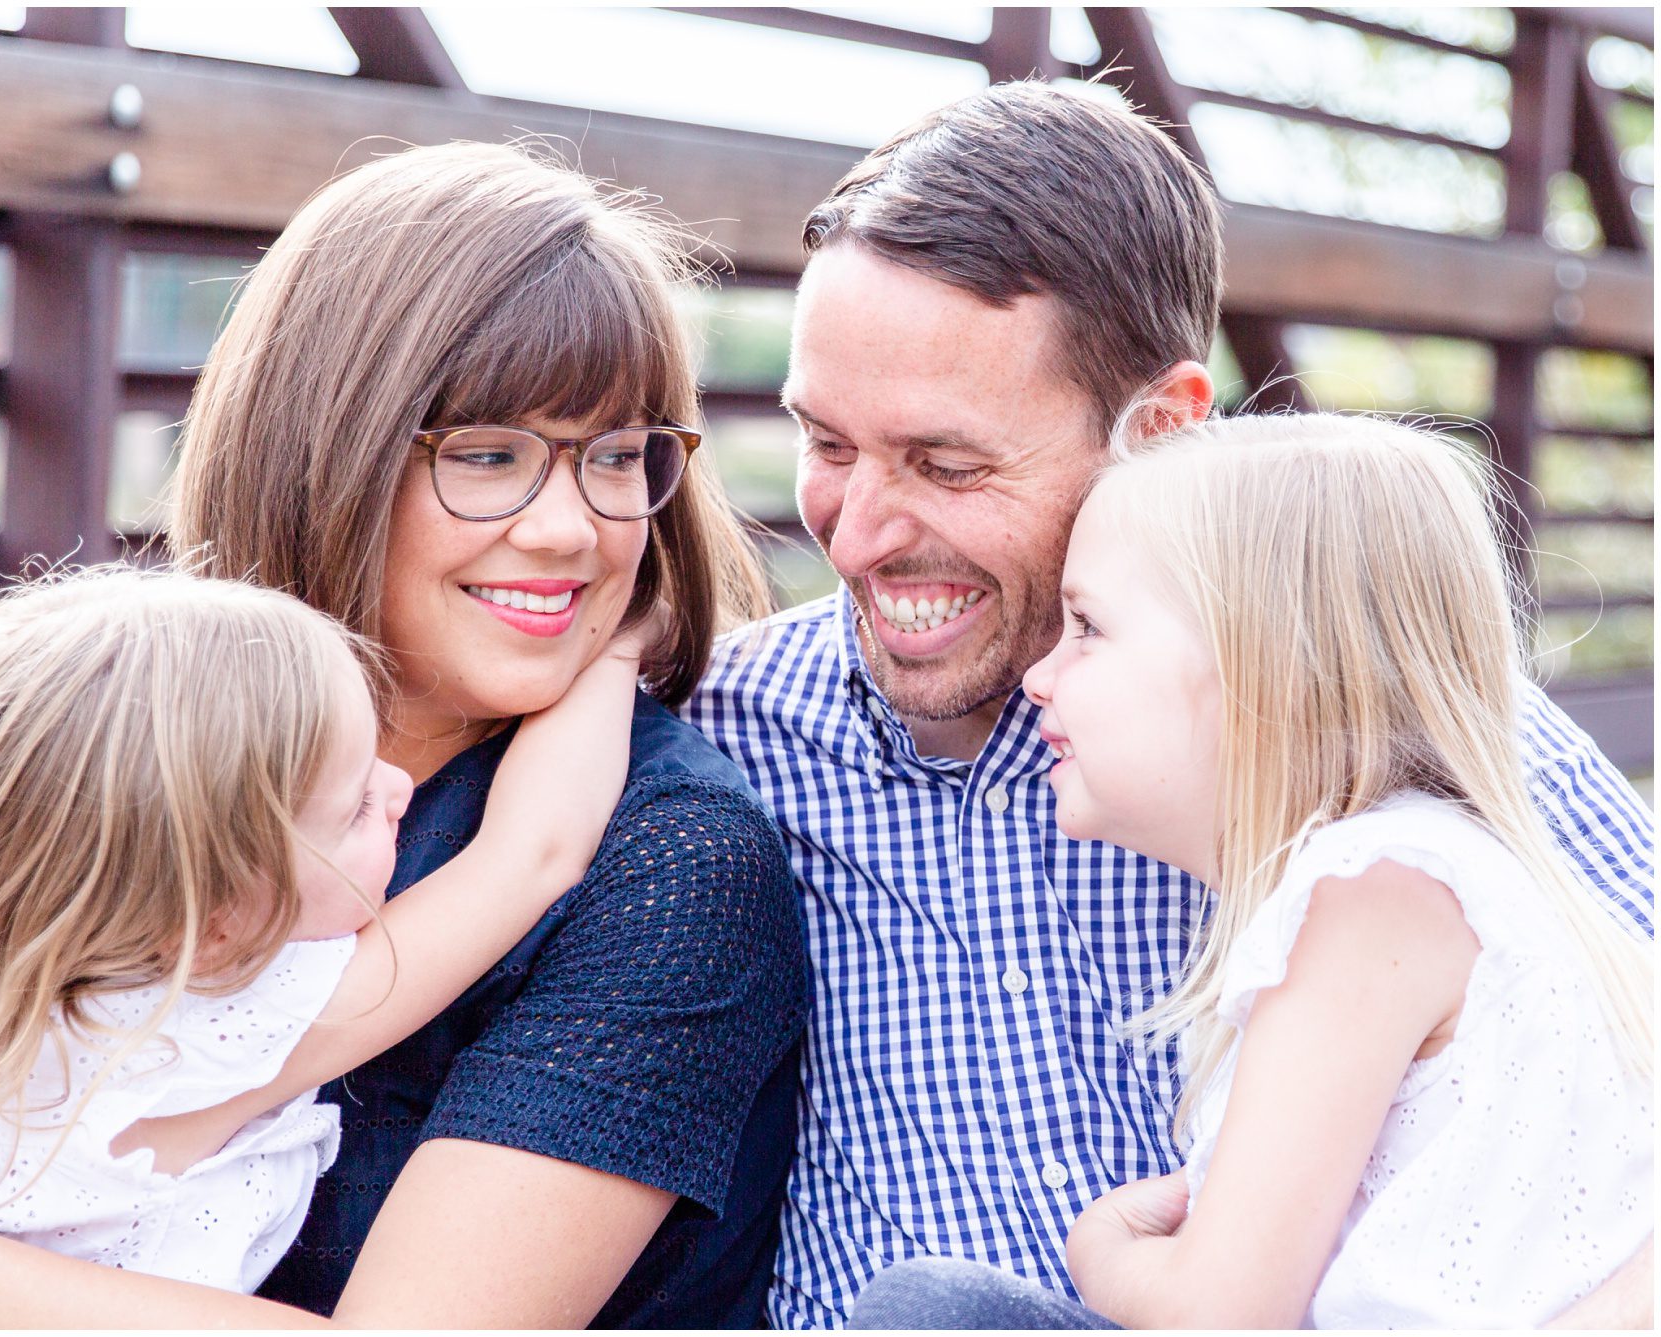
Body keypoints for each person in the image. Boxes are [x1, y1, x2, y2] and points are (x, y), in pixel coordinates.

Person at [0, 142, 809, 1329]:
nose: (572, 527)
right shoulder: (153, 728)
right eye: (487, 455)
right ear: (330, 443)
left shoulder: (674, 867)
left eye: (620, 457)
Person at [681, 81, 1655, 1327]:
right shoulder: (732, 733)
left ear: (1162, 426)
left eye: (946, 462)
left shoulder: (1376, 738)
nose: (855, 533)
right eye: (822, 442)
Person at [0, 563, 647, 1326]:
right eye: (353, 803)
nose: (397, 789)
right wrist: (619, 629)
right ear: (218, 916)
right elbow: (533, 853)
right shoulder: (197, 1036)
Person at [855, 414, 1653, 1327]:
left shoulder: (1371, 895)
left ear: (1254, 668)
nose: (1042, 674)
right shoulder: (1408, 881)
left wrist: (1100, 1249)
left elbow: (1221, 1313)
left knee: (929, 1310)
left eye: (1087, 628)